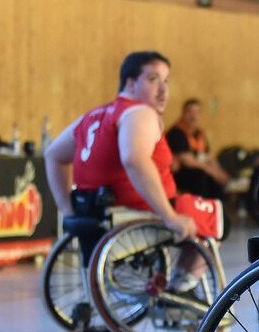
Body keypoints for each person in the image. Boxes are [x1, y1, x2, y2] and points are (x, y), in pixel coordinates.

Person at [45, 51, 223, 291]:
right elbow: (134, 159)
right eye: (153, 79)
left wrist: (70, 212)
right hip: (138, 210)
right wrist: (170, 217)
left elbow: (53, 155)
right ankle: (180, 289)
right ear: (130, 83)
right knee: (219, 219)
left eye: (166, 80)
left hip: (98, 211)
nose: (163, 90)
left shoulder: (94, 115)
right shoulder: (139, 112)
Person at [166, 98, 245, 199]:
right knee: (203, 176)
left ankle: (219, 207)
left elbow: (209, 157)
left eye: (197, 112)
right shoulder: (177, 133)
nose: (194, 117)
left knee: (215, 180)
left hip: (197, 171)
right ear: (183, 113)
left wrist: (222, 175)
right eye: (190, 112)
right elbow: (188, 161)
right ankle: (201, 208)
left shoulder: (200, 134)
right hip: (177, 174)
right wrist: (211, 171)